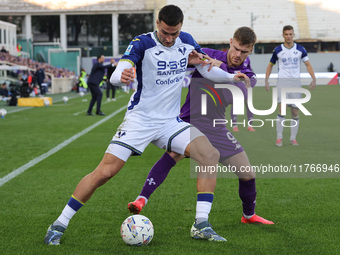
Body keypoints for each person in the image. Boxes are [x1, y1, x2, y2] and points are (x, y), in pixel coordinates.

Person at [44, 5, 249, 245]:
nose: (169, 38)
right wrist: (121, 76)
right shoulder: (142, 42)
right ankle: (59, 224)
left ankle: (201, 224)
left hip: (170, 122)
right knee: (104, 173)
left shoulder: (187, 41)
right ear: (157, 23)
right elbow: (119, 70)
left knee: (209, 154)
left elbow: (205, 67)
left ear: (181, 27)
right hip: (140, 120)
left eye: (174, 33)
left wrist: (230, 77)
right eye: (165, 32)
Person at [127, 26, 274, 227]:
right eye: (237, 48)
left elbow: (244, 85)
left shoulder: (247, 72)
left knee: (247, 173)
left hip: (216, 127)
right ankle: (141, 199)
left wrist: (221, 66)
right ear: (231, 41)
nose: (239, 54)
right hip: (190, 120)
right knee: (173, 155)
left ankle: (248, 215)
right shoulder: (207, 54)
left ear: (251, 51)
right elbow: (177, 63)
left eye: (244, 51)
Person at [265, 25, 316, 146]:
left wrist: (313, 78)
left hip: (296, 84)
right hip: (282, 83)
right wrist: (266, 80)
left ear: (293, 35)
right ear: (283, 35)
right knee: (282, 110)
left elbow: (308, 64)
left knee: (295, 112)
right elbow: (270, 65)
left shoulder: (300, 49)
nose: (288, 36)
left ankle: (293, 138)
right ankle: (279, 138)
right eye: (286, 34)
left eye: (290, 34)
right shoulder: (278, 50)